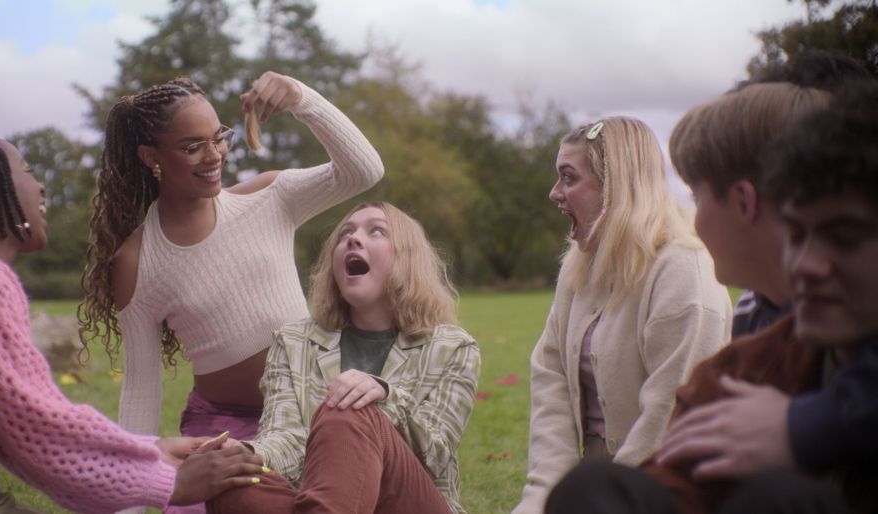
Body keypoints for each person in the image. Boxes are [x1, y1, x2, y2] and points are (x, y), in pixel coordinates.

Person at [0, 129, 265, 514]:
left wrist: (151, 449)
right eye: (28, 171)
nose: (41, 186)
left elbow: (27, 421)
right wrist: (168, 483)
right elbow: (36, 429)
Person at [545, 80, 878, 514]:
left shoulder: (682, 270)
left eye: (843, 235)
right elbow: (682, 471)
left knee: (777, 500)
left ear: (744, 201)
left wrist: (801, 428)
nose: (805, 264)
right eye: (796, 234)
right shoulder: (752, 350)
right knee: (594, 486)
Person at [78, 72, 384, 485]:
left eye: (218, 137)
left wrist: (301, 99)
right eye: (192, 147)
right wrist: (129, 503)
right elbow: (141, 391)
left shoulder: (271, 199)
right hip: (224, 431)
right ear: (151, 156)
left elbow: (363, 172)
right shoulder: (137, 261)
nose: (214, 155)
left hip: (314, 414)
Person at [512, 117, 732, 514]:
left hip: (666, 493)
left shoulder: (683, 272)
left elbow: (670, 419)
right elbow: (552, 385)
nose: (554, 193)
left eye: (568, 178)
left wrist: (606, 498)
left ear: (617, 185)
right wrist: (541, 501)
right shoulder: (578, 269)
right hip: (591, 492)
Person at [204, 201, 480, 514]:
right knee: (237, 482)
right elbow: (287, 438)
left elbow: (437, 453)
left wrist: (386, 397)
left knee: (349, 411)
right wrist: (245, 453)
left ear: (408, 258)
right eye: (345, 233)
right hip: (328, 500)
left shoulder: (453, 347)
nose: (353, 238)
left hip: (410, 502)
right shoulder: (293, 342)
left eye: (376, 231)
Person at [670, 50, 869, 339]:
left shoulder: (849, 330)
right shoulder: (754, 314)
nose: (696, 223)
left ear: (743, 201)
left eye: (696, 199)